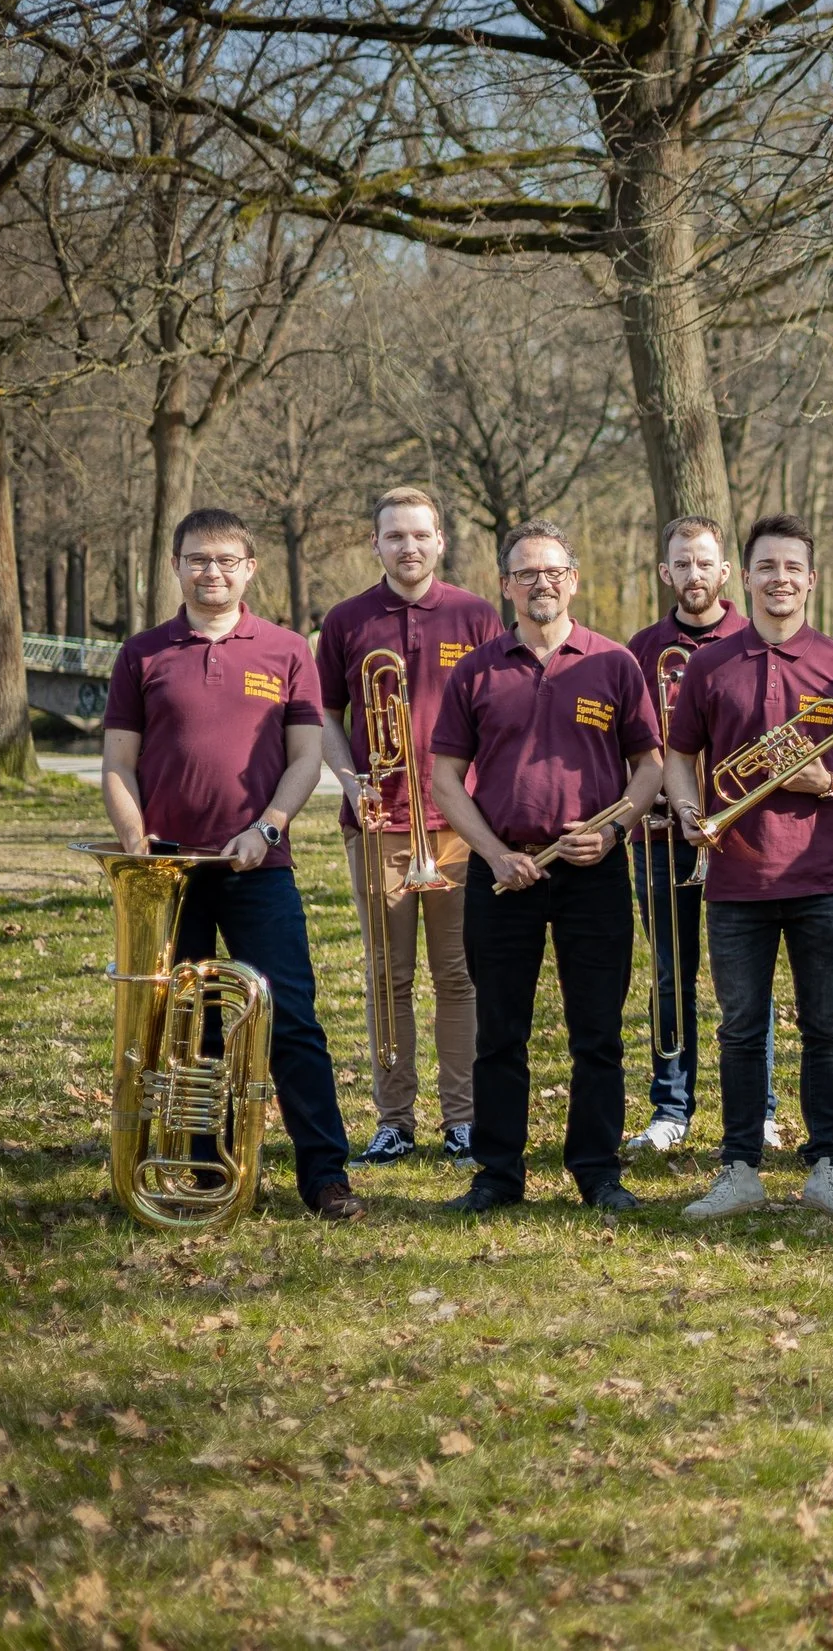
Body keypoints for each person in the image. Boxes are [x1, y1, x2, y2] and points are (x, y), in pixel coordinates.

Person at [100, 508, 364, 1222]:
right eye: (196, 559)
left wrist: (267, 828)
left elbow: (306, 759)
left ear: (249, 568)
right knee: (184, 1026)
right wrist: (138, 846)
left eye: (224, 560)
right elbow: (118, 763)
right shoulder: (142, 653)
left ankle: (325, 1177)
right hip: (168, 873)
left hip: (260, 867)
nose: (210, 571)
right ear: (176, 566)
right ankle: (195, 1166)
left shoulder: (286, 650)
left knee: (291, 1019)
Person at [664, 515, 833, 1220]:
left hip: (823, 875)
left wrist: (832, 783)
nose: (780, 579)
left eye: (793, 567)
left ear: (811, 579)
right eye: (767, 566)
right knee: (740, 1027)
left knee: (826, 1026)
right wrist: (687, 807)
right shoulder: (710, 664)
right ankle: (740, 1168)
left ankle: (826, 1166)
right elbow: (679, 755)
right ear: (746, 577)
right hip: (735, 876)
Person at [429, 520, 665, 1214]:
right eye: (527, 573)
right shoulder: (476, 670)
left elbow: (650, 767)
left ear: (574, 580)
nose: (542, 583)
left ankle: (597, 1171)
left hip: (594, 872)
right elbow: (445, 780)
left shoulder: (613, 663)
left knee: (599, 1032)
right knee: (500, 1032)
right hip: (504, 872)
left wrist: (614, 831)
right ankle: (497, 1175)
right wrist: (492, 851)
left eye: (554, 571)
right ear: (505, 584)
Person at [315, 486, 502, 1167]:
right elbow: (325, 714)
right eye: (395, 535)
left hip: (457, 825)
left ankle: (464, 1118)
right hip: (378, 824)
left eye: (420, 534)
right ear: (376, 543)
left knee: (457, 975)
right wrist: (350, 779)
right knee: (387, 977)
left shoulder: (477, 615)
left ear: (440, 541)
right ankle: (394, 1119)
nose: (409, 546)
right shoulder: (345, 620)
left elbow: (500, 712)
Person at [623, 515, 750, 1153]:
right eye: (682, 563)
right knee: (671, 975)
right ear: (665, 572)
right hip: (663, 836)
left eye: (704, 562)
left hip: (740, 837)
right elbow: (631, 741)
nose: (693, 574)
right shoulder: (641, 648)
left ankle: (757, 1106)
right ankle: (671, 1106)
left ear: (724, 571)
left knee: (745, 981)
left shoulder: (753, 641)